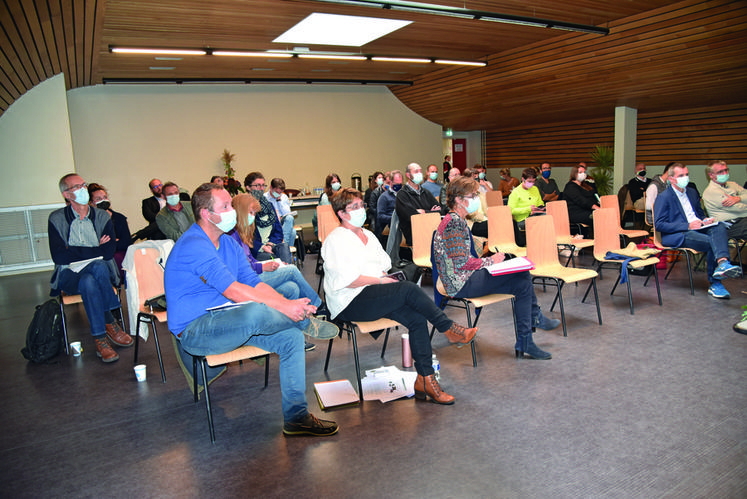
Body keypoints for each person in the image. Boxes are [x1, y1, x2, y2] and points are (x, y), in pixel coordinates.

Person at [164, 183, 339, 437]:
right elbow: (233, 290)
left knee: (290, 340)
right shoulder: (193, 243)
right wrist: (287, 307)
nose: (232, 211)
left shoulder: (228, 244)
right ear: (206, 214)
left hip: (229, 322)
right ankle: (304, 322)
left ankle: (296, 417)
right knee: (256, 311)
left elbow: (254, 283)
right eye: (225, 206)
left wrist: (286, 303)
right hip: (196, 330)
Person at [322, 187, 477, 404]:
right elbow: (348, 279)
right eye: (354, 207)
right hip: (349, 300)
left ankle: (425, 379)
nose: (360, 210)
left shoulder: (367, 235)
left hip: (374, 294)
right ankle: (448, 328)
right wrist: (382, 281)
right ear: (341, 213)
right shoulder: (335, 240)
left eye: (361, 205)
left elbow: (384, 265)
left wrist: (386, 279)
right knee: (408, 289)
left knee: (416, 318)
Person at [433, 177, 559, 360]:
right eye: (473, 195)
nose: (477, 198)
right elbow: (462, 263)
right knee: (522, 273)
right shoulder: (453, 223)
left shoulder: (456, 220)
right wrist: (491, 261)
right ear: (459, 200)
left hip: (465, 277)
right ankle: (532, 325)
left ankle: (528, 335)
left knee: (521, 282)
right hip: (461, 283)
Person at [48, 174, 133, 363]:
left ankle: (100, 339)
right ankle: (111, 320)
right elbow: (60, 256)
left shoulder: (102, 216)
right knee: (97, 264)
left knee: (90, 279)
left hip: (95, 275)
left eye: (83, 185)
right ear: (66, 194)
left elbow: (109, 251)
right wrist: (96, 249)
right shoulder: (57, 218)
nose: (83, 189)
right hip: (68, 274)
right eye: (76, 187)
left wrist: (75, 250)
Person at [229, 193, 325, 352]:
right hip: (247, 283)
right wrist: (262, 267)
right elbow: (241, 270)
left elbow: (249, 262)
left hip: (254, 274)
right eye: (251, 212)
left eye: (254, 213)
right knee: (292, 270)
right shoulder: (231, 235)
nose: (253, 217)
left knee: (292, 288)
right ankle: (318, 306)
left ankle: (298, 336)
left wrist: (263, 265)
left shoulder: (243, 231)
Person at [654, 163, 741, 299]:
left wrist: (705, 220)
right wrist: (688, 226)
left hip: (699, 228)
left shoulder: (692, 192)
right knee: (713, 242)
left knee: (719, 227)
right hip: (679, 234)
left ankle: (723, 262)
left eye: (687, 174)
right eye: (681, 175)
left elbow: (699, 214)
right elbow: (659, 225)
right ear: (671, 179)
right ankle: (715, 283)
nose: (685, 178)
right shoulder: (664, 197)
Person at [244, 172, 292, 264]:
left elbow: (278, 231)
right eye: (258, 186)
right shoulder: (244, 208)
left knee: (284, 247)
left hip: (271, 245)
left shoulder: (269, 205)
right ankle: (287, 271)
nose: (261, 189)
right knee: (276, 259)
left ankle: (287, 271)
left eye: (263, 185)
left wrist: (270, 244)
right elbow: (244, 236)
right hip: (256, 249)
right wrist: (262, 247)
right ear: (248, 187)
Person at [88, 183, 132, 279]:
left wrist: (108, 244)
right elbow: (91, 244)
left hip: (118, 253)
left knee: (116, 260)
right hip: (98, 255)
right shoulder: (88, 221)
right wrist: (112, 241)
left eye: (105, 197)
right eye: (98, 199)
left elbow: (127, 241)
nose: (103, 200)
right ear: (91, 202)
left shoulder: (119, 218)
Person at [395, 163, 441, 247]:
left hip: (431, 230)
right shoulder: (402, 194)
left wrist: (424, 212)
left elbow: (440, 211)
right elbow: (412, 217)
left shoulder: (426, 192)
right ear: (408, 175)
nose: (419, 174)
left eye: (420, 171)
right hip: (414, 235)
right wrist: (431, 212)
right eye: (416, 171)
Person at [702, 160, 747, 240]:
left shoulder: (732, 184)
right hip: (728, 226)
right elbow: (737, 209)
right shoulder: (711, 191)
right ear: (711, 175)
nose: (724, 173)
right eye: (720, 172)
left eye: (726, 170)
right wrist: (742, 199)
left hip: (742, 220)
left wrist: (738, 198)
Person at [508, 168, 545, 245]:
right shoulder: (516, 192)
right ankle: (539, 244)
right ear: (523, 179)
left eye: (533, 181)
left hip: (535, 215)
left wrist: (540, 207)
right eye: (529, 181)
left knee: (548, 217)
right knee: (543, 221)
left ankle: (544, 244)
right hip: (521, 220)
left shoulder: (535, 189)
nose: (531, 184)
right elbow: (511, 210)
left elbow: (540, 202)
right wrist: (528, 209)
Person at [563, 164, 599, 229]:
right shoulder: (570, 186)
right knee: (598, 218)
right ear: (574, 174)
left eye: (584, 172)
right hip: (575, 213)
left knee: (603, 216)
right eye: (580, 172)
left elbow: (593, 196)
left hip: (588, 211)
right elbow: (581, 200)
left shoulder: (586, 186)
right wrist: (595, 207)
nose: (583, 174)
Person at [265, 178, 297, 247]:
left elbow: (287, 213)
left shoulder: (284, 197)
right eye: (276, 192)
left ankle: (283, 247)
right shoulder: (265, 198)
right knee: (293, 232)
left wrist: (279, 200)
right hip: (271, 223)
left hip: (282, 222)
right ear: (271, 187)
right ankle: (286, 252)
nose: (278, 194)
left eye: (280, 192)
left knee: (289, 218)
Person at [375, 170, 402, 242]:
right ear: (390, 182)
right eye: (396, 183)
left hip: (402, 228)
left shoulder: (403, 195)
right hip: (389, 229)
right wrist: (394, 218)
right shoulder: (384, 197)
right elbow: (380, 216)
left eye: (400, 184)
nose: (398, 185)